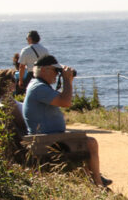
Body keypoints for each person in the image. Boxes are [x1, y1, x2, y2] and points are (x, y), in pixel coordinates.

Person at [23, 55, 109, 188]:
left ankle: (93, 180)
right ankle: (98, 183)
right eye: (55, 71)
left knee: (82, 142)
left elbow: (62, 99)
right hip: (46, 140)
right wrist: (67, 81)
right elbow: (66, 102)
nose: (57, 75)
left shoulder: (38, 85)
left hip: (46, 137)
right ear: (44, 70)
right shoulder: (38, 88)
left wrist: (67, 80)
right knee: (91, 143)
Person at [0, 67, 26, 134]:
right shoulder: (8, 101)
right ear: (6, 83)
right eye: (13, 80)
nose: (16, 82)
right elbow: (21, 124)